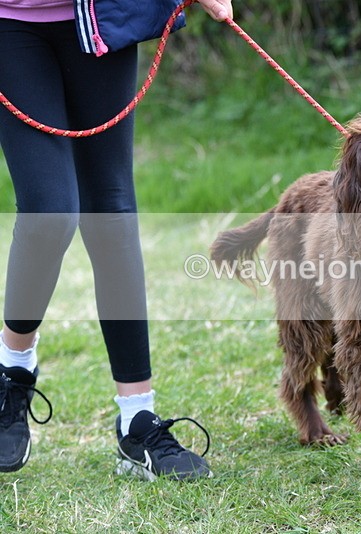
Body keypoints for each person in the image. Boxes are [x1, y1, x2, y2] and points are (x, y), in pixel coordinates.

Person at [0, 0, 233, 479]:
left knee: (112, 210)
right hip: (10, 26)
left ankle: (136, 420)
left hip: (101, 18)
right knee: (49, 214)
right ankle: (13, 368)